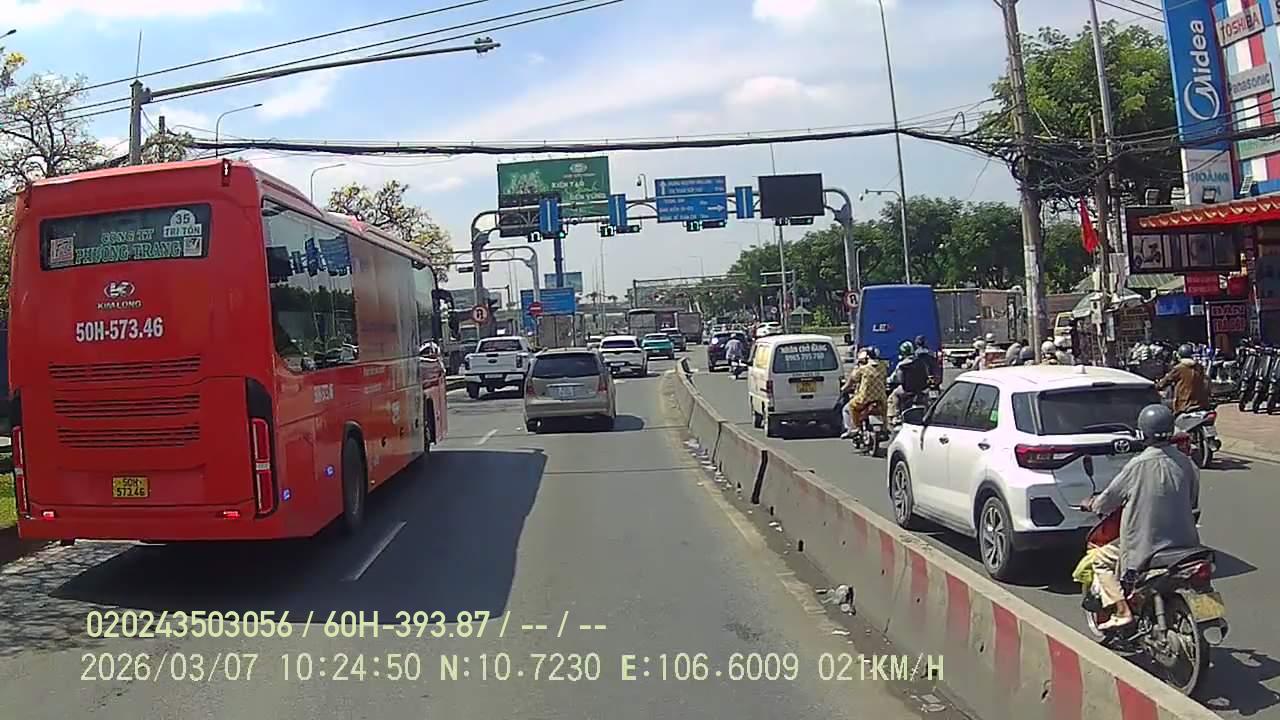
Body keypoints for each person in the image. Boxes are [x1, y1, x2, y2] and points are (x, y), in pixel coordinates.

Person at [1084, 404, 1200, 630]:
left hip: (1145, 548)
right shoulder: (1186, 463)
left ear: (1143, 432)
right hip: (1185, 545)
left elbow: (1108, 500)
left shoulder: (1137, 465)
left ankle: (1122, 611)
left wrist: (1093, 504)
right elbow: (1193, 501)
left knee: (1100, 560)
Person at [841, 347, 888, 438]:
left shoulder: (863, 369)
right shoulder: (883, 366)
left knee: (851, 406)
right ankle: (884, 428)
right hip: (881, 397)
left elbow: (852, 379)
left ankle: (856, 428)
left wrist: (844, 388)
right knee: (884, 411)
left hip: (865, 398)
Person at [1155, 343, 1211, 414]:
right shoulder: (1199, 367)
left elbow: (1165, 381)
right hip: (1201, 403)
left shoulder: (1179, 368)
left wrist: (1155, 386)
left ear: (1179, 355)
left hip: (1184, 404)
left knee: (1163, 404)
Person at [888, 341, 929, 421]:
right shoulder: (921, 362)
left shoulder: (902, 365)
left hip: (907, 390)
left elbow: (897, 379)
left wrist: (888, 380)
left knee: (893, 396)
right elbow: (927, 374)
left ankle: (895, 416)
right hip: (922, 390)